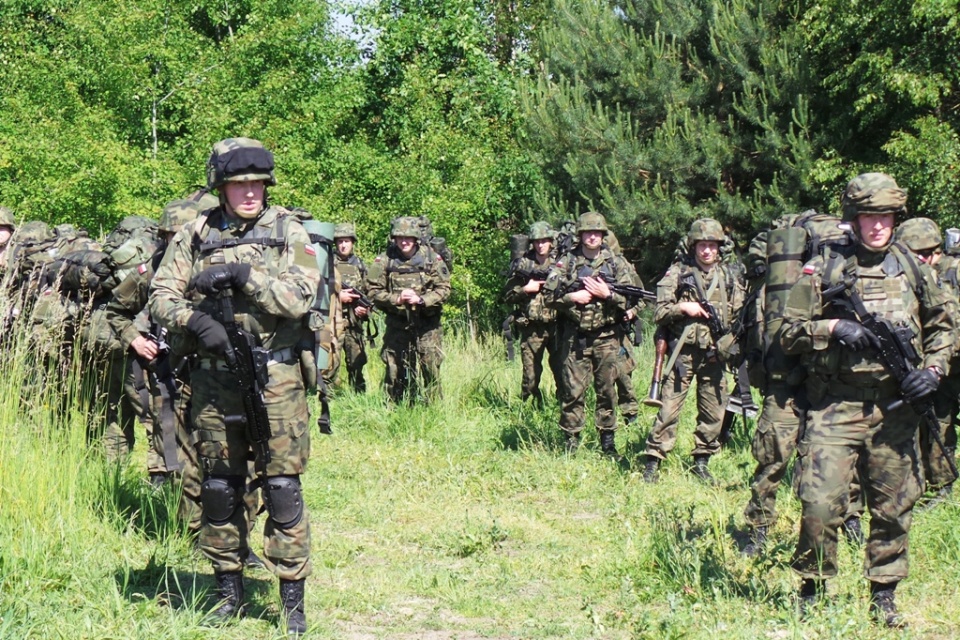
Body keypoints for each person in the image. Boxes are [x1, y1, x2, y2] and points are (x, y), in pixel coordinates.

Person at [149, 137, 321, 635]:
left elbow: (300, 297)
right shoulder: (195, 233)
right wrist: (194, 322)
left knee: (283, 488)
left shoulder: (289, 230)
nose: (249, 192)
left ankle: (292, 601)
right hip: (212, 380)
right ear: (220, 187)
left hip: (277, 380)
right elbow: (161, 296)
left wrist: (247, 277)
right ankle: (228, 590)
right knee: (221, 489)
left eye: (257, 183)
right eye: (238, 184)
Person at [781, 173, 956, 627]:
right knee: (820, 503)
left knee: (894, 505)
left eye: (885, 216)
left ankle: (884, 594)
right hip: (834, 406)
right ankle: (814, 586)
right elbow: (786, 331)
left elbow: (943, 326)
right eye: (868, 216)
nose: (877, 225)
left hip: (895, 407)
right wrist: (834, 329)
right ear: (853, 219)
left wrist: (932, 372)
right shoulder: (824, 267)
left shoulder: (914, 266)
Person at [642, 219, 744, 483]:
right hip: (682, 354)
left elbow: (740, 319)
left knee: (714, 411)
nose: (707, 251)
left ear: (720, 248)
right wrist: (683, 309)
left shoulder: (730, 277)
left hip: (715, 354)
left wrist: (729, 346)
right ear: (693, 246)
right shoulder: (678, 273)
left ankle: (702, 461)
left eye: (712, 245)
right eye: (702, 245)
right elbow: (659, 312)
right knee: (668, 410)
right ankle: (653, 461)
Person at [543, 212, 636, 456]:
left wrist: (608, 295)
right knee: (572, 391)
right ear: (580, 235)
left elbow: (632, 299)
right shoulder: (567, 262)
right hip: (575, 338)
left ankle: (608, 442)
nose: (592, 236)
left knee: (606, 391)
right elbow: (547, 296)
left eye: (596, 232)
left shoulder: (616, 263)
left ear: (603, 235)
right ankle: (571, 441)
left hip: (607, 338)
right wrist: (572, 297)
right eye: (587, 232)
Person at [894, 217, 958, 508]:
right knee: (931, 418)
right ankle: (932, 482)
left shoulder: (944, 272)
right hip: (934, 362)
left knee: (939, 420)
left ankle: (941, 484)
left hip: (948, 361)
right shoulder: (911, 276)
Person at [365, 216, 451, 404]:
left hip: (427, 326)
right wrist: (396, 299)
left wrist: (422, 300)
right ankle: (395, 408)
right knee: (394, 369)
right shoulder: (384, 260)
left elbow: (444, 289)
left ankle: (434, 411)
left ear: (416, 239)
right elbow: (371, 291)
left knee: (431, 368)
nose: (404, 242)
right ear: (393, 238)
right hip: (397, 324)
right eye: (399, 237)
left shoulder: (431, 258)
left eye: (408, 238)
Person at [502, 221, 562, 405]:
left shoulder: (561, 264)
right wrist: (525, 290)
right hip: (532, 329)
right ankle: (530, 408)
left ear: (551, 241)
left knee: (563, 373)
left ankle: (563, 408)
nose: (540, 245)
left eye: (544, 240)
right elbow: (506, 296)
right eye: (537, 241)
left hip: (557, 328)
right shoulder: (523, 264)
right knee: (530, 376)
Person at [332, 222, 370, 393]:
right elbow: (317, 291)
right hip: (333, 322)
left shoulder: (361, 265)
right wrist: (339, 298)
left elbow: (371, 293)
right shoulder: (327, 264)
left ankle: (359, 398)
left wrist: (365, 310)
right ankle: (329, 400)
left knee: (356, 364)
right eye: (340, 241)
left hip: (355, 324)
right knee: (331, 364)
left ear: (352, 242)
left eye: (346, 241)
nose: (343, 245)